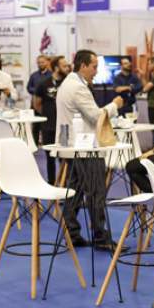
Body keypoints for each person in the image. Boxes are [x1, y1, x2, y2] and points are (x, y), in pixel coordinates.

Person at [56, 49, 123, 247]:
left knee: (75, 191)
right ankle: (100, 237)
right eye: (94, 67)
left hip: (74, 145)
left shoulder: (69, 83)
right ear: (83, 65)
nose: (96, 71)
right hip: (85, 147)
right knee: (96, 191)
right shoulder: (77, 87)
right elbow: (96, 116)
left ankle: (72, 232)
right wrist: (114, 105)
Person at [33, 56, 70, 184]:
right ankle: (52, 183)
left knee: (64, 156)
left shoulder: (68, 83)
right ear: (56, 68)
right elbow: (37, 104)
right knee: (49, 157)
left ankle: (65, 184)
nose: (67, 68)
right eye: (64, 66)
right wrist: (48, 115)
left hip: (64, 127)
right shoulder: (43, 83)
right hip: (48, 126)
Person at [26, 55, 51, 145]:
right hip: (35, 104)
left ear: (47, 62)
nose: (40, 64)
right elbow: (29, 87)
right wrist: (37, 91)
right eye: (39, 62)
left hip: (47, 105)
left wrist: (43, 91)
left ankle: (47, 145)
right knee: (35, 127)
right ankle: (35, 145)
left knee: (47, 126)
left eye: (42, 62)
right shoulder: (34, 75)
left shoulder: (51, 75)